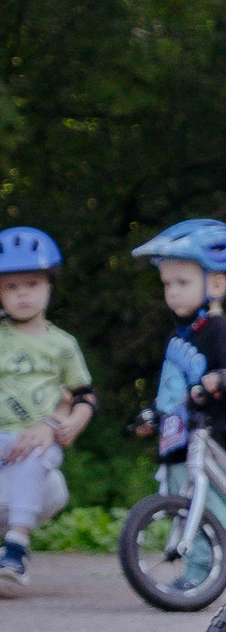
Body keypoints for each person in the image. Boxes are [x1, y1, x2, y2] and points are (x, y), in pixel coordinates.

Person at [132, 222, 226, 587]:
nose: (172, 292)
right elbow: (174, 389)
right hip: (177, 437)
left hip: (211, 436)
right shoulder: (180, 335)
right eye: (167, 284)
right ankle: (194, 570)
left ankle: (201, 575)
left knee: (204, 507)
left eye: (182, 283)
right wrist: (155, 417)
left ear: (217, 284)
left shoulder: (220, 329)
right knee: (179, 502)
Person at [0, 228, 94, 595]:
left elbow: (83, 393)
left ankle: (16, 547)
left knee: (36, 455)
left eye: (32, 283)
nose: (22, 293)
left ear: (49, 287)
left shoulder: (63, 345)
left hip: (35, 435)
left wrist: (66, 422)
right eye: (10, 287)